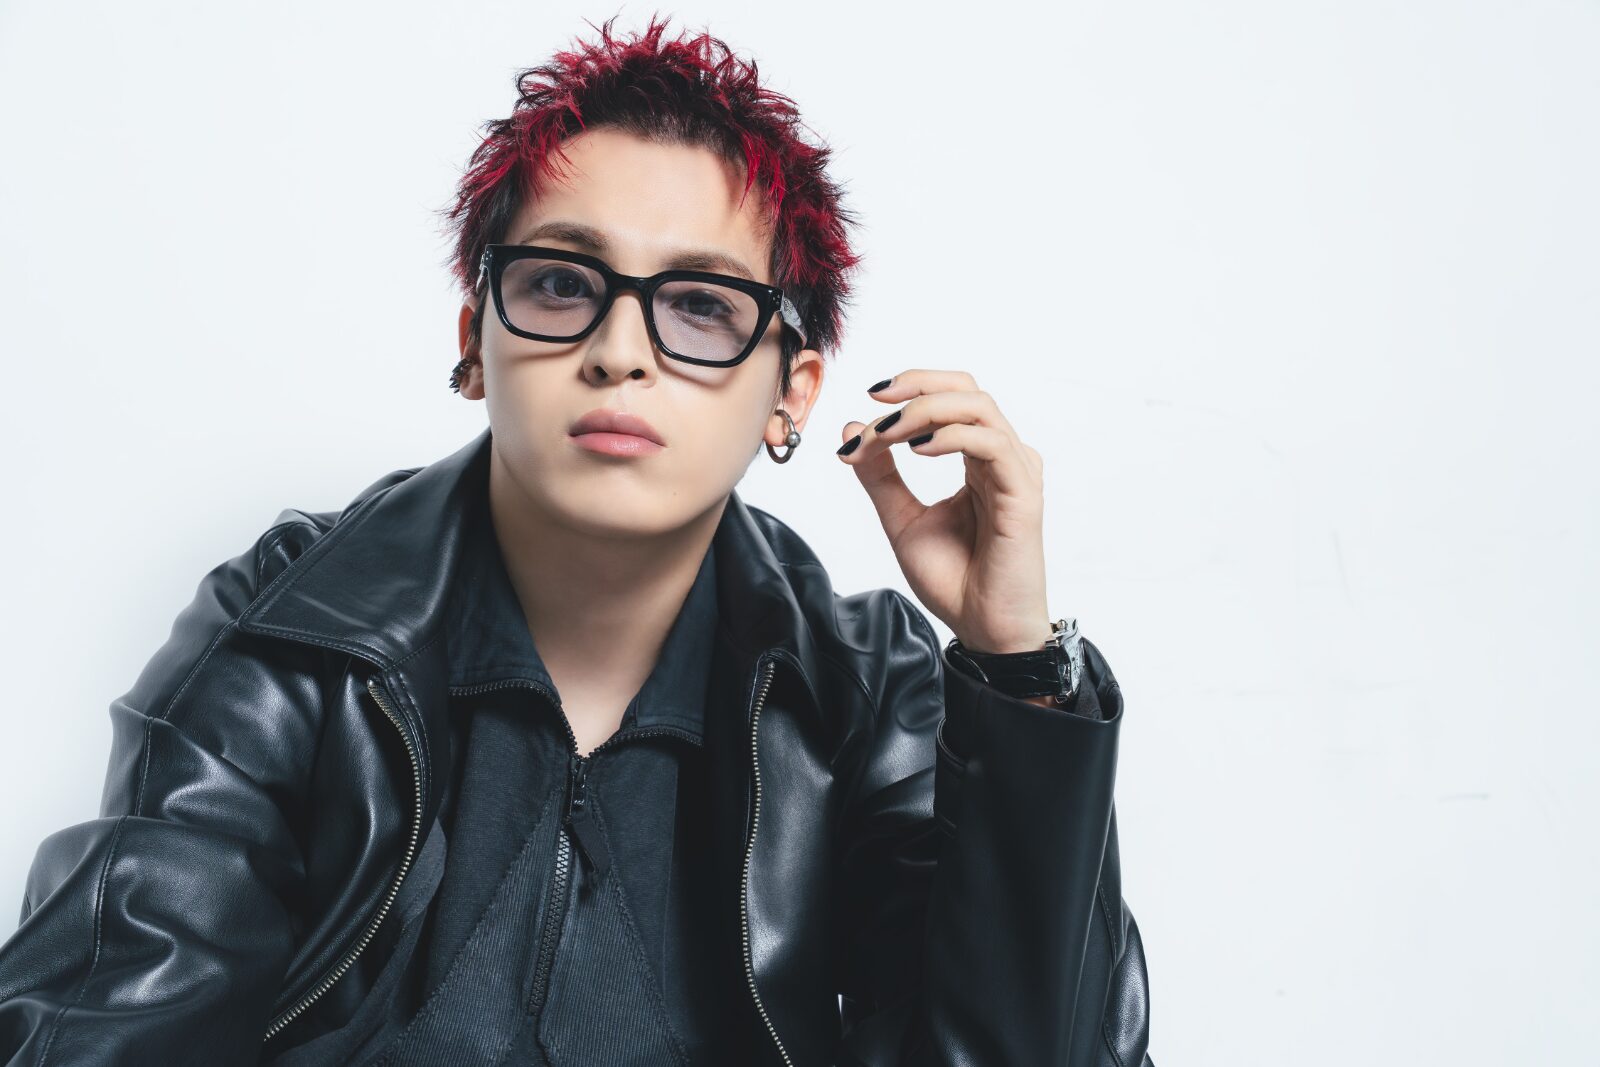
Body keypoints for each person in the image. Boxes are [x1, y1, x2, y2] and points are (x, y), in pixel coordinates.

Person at [0, 14, 1153, 1066]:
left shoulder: (865, 688)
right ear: (475, 341)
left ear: (790, 392)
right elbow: (104, 1017)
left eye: (701, 305)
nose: (619, 351)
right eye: (561, 283)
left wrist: (1017, 671)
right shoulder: (299, 623)